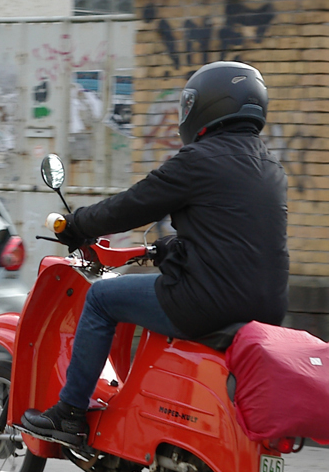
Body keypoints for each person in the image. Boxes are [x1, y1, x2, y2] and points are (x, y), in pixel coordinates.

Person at [21, 60, 289, 445]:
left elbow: (131, 206)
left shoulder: (200, 160)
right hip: (267, 309)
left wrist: (77, 224)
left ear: (209, 106)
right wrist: (171, 249)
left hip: (209, 302)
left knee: (101, 299)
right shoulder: (270, 166)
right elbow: (235, 238)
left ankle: (70, 414)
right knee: (147, 291)